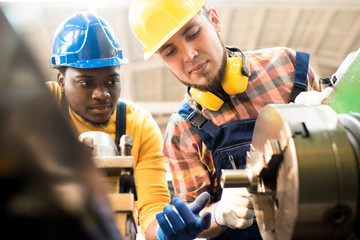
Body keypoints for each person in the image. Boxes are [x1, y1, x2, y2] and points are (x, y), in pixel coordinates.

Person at [129, 0, 331, 239]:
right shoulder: (182, 130)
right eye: (170, 51)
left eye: (193, 33)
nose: (190, 55)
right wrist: (218, 214)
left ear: (214, 20)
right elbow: (195, 217)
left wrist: (330, 114)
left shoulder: (289, 67)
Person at [46, 11, 171, 239]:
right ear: (62, 81)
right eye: (86, 82)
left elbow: (153, 207)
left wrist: (167, 230)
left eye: (112, 82)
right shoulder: (43, 105)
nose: (101, 94)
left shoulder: (139, 125)